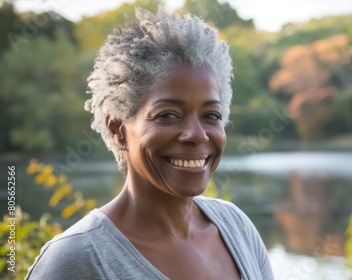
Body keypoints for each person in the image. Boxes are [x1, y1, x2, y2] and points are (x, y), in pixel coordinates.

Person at [26, 7, 274, 280]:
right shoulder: (77, 261)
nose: (197, 134)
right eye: (167, 115)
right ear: (118, 129)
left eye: (211, 115)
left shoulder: (236, 228)